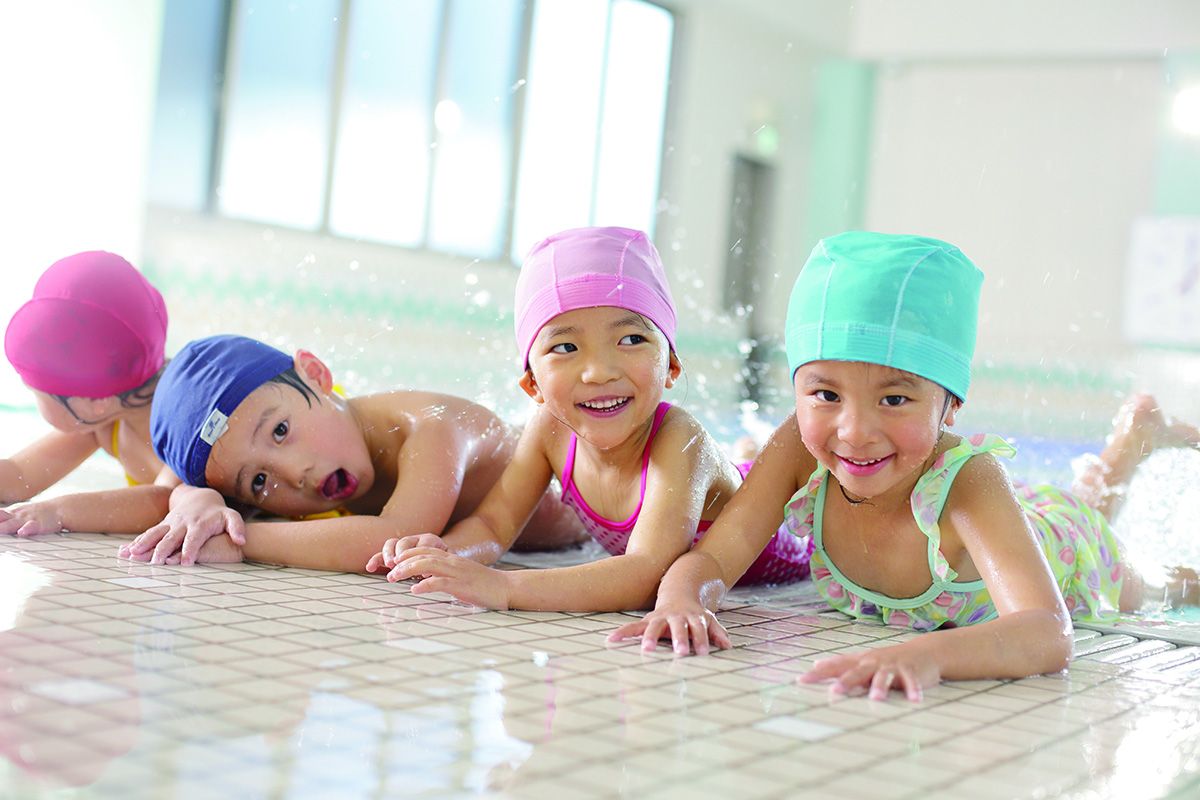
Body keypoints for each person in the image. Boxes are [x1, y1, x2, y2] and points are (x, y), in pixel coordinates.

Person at [609, 231, 1200, 701]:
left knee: (1155, 584)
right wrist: (682, 601)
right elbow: (714, 558)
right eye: (825, 394)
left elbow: (1048, 631)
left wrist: (930, 656)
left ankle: (1131, 445)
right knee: (1074, 507)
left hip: (1070, 549)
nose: (854, 431)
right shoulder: (798, 447)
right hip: (1003, 522)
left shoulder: (968, 480)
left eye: (894, 399)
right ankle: (1134, 440)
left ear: (950, 406)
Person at [365, 226, 812, 610]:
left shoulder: (680, 440)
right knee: (741, 459)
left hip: (790, 540)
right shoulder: (549, 430)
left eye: (631, 339)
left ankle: (748, 458)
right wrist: (446, 553)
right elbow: (493, 524)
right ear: (533, 386)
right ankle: (745, 454)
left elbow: (644, 575)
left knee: (762, 474)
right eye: (565, 347)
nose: (599, 371)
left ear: (671, 366)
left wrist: (504, 587)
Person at [118, 334, 586, 568]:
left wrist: (240, 542)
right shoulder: (309, 465)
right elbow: (162, 500)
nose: (294, 474)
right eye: (258, 481)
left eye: (280, 430)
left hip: (588, 494)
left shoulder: (432, 425)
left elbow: (396, 537)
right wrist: (195, 499)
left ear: (317, 374)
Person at [0, 251, 175, 535]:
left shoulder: (182, 422)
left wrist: (56, 511)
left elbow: (165, 502)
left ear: (95, 401)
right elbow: (20, 474)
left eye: (36, 392)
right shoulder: (106, 422)